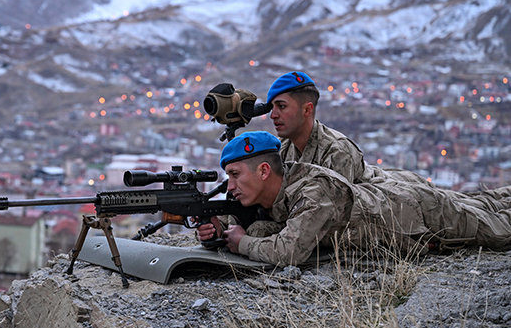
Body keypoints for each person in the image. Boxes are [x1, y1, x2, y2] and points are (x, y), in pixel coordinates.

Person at [197, 131, 511, 266]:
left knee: (500, 231)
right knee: (487, 201)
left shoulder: (313, 189)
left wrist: (242, 243)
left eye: (236, 174)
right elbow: (253, 217)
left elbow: (289, 251)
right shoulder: (275, 189)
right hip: (405, 200)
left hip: (420, 216)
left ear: (264, 171)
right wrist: (218, 225)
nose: (230, 184)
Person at [264, 71, 423, 184]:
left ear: (307, 109)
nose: (273, 115)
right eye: (272, 108)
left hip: (403, 195)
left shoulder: (337, 152)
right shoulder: (283, 148)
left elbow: (330, 218)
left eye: (282, 107)